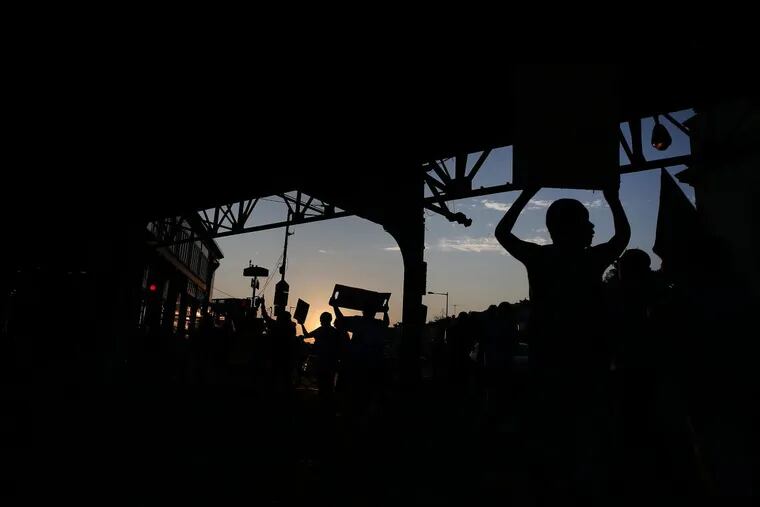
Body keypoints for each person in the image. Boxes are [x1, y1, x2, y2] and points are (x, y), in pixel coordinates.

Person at [301, 311, 341, 408]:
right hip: (332, 362)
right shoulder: (335, 332)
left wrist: (302, 324)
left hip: (322, 362)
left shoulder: (320, 330)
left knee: (322, 385)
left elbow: (306, 335)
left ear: (322, 320)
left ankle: (323, 405)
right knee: (329, 385)